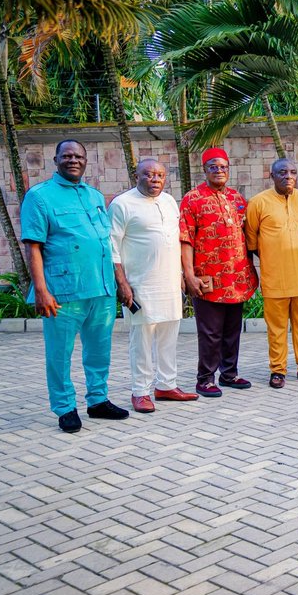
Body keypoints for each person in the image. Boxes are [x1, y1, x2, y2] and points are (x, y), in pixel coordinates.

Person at [22, 139, 128, 432]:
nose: (73, 160)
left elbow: (104, 242)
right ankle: (65, 407)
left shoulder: (94, 196)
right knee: (59, 353)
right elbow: (33, 246)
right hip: (63, 291)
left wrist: (119, 282)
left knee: (99, 350)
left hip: (101, 288)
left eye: (78, 156)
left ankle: (97, 400)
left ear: (85, 160)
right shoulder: (40, 196)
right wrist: (41, 290)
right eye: (66, 155)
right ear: (55, 159)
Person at [110, 158, 198, 413]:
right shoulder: (122, 204)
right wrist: (122, 283)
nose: (155, 180)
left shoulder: (170, 202)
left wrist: (182, 275)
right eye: (148, 175)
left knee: (169, 337)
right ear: (135, 176)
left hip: (170, 283)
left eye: (159, 175)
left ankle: (166, 385)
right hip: (140, 286)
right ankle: (140, 391)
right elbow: (112, 246)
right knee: (142, 340)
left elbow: (174, 241)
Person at [180, 147, 258, 398]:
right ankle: (204, 379)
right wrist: (189, 275)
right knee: (210, 332)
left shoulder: (237, 199)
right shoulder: (192, 199)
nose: (219, 170)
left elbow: (249, 237)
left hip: (236, 277)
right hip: (208, 278)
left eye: (223, 166)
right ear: (205, 170)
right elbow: (186, 240)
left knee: (232, 330)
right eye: (213, 166)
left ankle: (229, 373)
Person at [245, 158, 298, 388]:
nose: (288, 176)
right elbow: (251, 242)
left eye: (292, 172)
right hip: (274, 279)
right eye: (282, 172)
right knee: (277, 328)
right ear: (271, 175)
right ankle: (278, 370)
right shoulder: (258, 203)